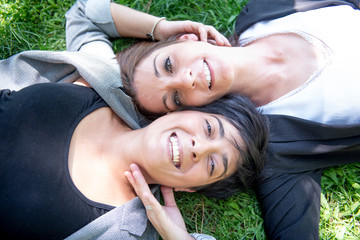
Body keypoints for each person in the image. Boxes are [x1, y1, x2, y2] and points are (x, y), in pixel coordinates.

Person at [83, 0, 360, 239]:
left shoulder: (261, 11)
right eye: (176, 98)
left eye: (168, 65)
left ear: (186, 39)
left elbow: (85, 11)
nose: (186, 79)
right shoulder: (276, 151)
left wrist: (161, 27)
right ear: (190, 113)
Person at [0, 81, 268, 239]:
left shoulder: (119, 231)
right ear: (185, 111)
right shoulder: (106, 85)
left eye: (212, 165)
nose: (199, 147)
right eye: (209, 128)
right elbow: (86, 14)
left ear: (190, 189)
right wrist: (158, 27)